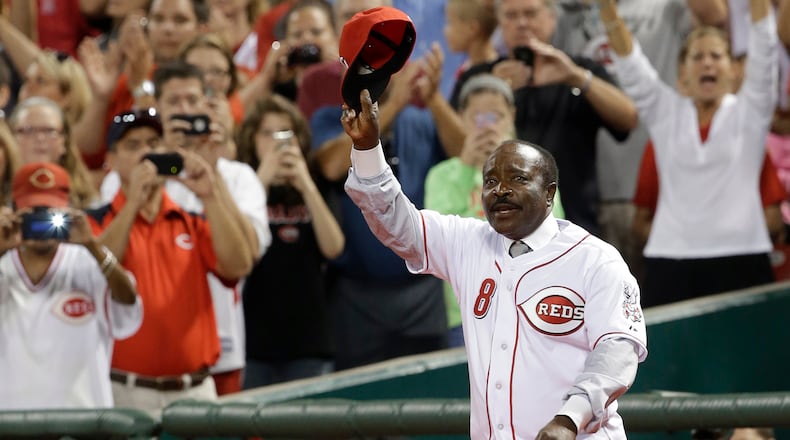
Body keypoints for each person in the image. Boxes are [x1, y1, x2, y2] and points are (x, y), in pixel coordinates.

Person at [342, 88, 647, 439]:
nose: (500, 189)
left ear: (550, 193)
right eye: (491, 180)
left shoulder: (595, 259)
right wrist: (367, 149)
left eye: (518, 178)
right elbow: (395, 223)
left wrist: (570, 417)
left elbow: (618, 351)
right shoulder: (468, 242)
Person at [599, 0, 778, 304]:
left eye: (716, 56)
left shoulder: (751, 113)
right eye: (697, 57)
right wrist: (605, 7)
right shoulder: (665, 112)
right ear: (682, 72)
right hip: (671, 261)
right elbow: (630, 63)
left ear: (734, 70)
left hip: (742, 256)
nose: (707, 63)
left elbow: (764, 45)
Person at [88, 109, 254, 413]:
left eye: (153, 142)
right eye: (133, 145)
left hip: (195, 390)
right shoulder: (95, 222)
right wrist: (133, 203)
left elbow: (238, 267)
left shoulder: (190, 219)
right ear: (110, 159)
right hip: (125, 391)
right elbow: (97, 271)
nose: (146, 152)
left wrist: (211, 195)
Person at [449, 0, 639, 236]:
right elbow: (451, 148)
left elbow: (629, 119)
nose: (521, 23)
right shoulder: (479, 78)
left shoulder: (576, 69)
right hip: (496, 227)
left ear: (552, 18)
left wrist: (575, 76)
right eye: (511, 15)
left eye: (530, 13)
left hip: (574, 224)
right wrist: (495, 92)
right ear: (500, 22)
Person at [0, 162, 141, 409]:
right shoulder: (4, 267)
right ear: (15, 212)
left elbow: (128, 300)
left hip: (84, 423)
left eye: (51, 214)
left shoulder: (87, 262)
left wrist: (93, 245)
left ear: (68, 211)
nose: (43, 225)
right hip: (12, 424)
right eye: (34, 214)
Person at [237, 94, 344, 387]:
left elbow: (333, 247)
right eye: (267, 133)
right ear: (252, 139)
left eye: (285, 133)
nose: (276, 142)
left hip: (308, 341)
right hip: (253, 342)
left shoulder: (315, 182)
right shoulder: (243, 181)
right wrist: (264, 177)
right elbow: (233, 239)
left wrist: (305, 184)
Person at [8, 97, 99, 208]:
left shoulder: (87, 201)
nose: (40, 138)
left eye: (49, 130)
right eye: (28, 130)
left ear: (64, 142)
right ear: (10, 138)